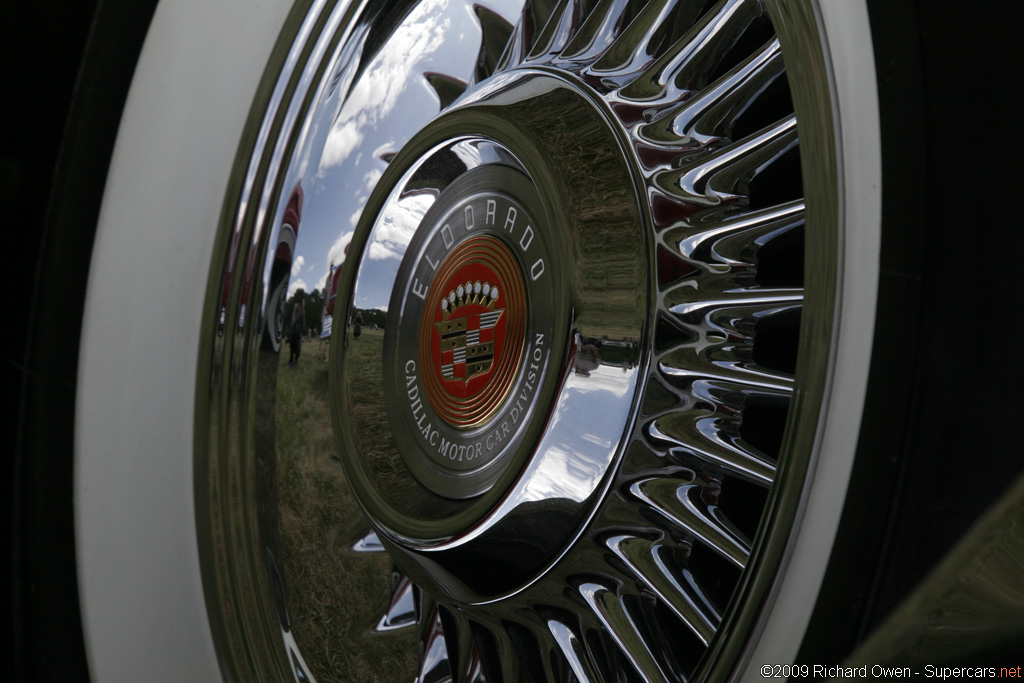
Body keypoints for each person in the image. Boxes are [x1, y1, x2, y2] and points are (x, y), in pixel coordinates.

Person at [288, 295, 304, 367]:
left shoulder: (303, 311)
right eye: (299, 303)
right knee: (292, 348)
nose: (299, 305)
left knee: (298, 349)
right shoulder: (295, 310)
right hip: (294, 331)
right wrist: (299, 313)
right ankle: (291, 361)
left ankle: (296, 359)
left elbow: (303, 323)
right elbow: (293, 321)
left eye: (301, 303)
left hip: (299, 332)